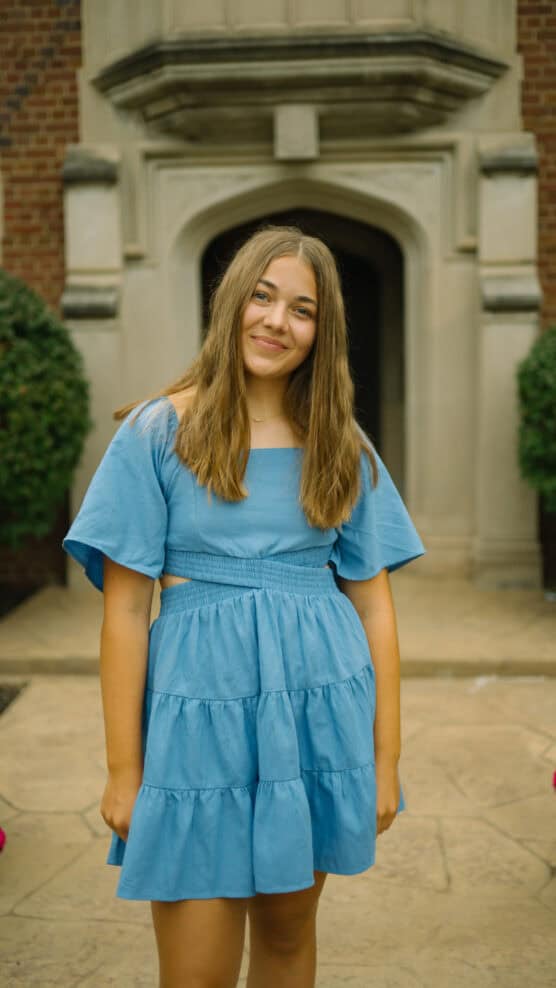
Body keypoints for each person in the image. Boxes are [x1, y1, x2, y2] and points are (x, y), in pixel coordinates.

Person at [62, 225, 426, 988]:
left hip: (315, 719)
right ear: (231, 304)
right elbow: (125, 615)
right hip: (197, 723)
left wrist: (385, 760)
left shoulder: (340, 444)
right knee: (195, 973)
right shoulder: (158, 432)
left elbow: (376, 609)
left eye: (303, 309)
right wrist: (125, 769)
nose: (276, 322)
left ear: (322, 333)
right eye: (262, 297)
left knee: (290, 943)